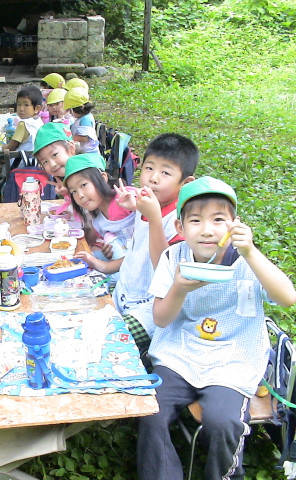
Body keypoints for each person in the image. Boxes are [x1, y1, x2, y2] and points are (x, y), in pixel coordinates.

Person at [138, 176, 296, 480]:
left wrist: (250, 252)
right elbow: (160, 318)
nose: (207, 229)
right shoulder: (174, 259)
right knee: (151, 411)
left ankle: (224, 475)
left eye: (218, 219)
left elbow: (288, 298)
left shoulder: (248, 261)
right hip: (180, 354)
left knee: (223, 421)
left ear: (233, 225)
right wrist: (179, 290)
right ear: (180, 228)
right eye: (195, 220)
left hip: (234, 358)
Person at [84, 133, 199, 356]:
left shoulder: (181, 221)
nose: (153, 178)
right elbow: (138, 247)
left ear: (185, 183)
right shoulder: (145, 203)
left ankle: (146, 357)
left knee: (106, 344)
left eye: (165, 173)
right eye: (149, 168)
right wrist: (135, 208)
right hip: (125, 292)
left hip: (151, 309)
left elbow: (165, 271)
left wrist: (154, 217)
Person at [64, 153, 135, 284]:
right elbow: (99, 243)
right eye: (73, 191)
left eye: (83, 185)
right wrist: (105, 251)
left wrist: (138, 207)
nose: (80, 195)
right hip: (123, 260)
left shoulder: (125, 198)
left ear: (102, 178)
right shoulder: (98, 221)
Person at [1, 86, 45, 161]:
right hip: (37, 161)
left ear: (37, 108)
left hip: (21, 163)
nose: (21, 108)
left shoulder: (23, 124)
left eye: (26, 105)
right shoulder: (39, 121)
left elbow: (11, 146)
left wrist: (3, 147)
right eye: (19, 104)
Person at [33, 122, 76, 197]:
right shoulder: (66, 179)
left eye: (55, 155)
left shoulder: (87, 173)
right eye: (45, 162)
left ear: (71, 149)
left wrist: (73, 190)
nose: (52, 164)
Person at [64, 87, 100, 154]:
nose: (71, 114)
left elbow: (84, 137)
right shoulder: (81, 118)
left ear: (79, 109)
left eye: (71, 111)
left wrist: (69, 137)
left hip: (89, 153)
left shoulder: (86, 119)